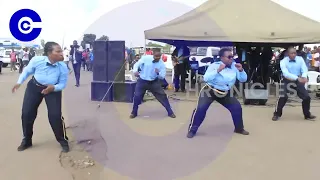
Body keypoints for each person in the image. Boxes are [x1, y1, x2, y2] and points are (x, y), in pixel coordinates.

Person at [12, 42, 69, 152]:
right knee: (27, 113)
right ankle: (27, 140)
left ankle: (62, 140)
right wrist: (19, 82)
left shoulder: (63, 67)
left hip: (53, 89)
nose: (61, 53)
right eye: (58, 51)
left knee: (55, 116)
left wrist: (53, 88)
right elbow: (27, 71)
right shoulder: (37, 60)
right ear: (49, 53)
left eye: (61, 51)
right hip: (34, 87)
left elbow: (62, 84)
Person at [187, 48, 249, 138]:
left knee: (237, 107)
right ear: (222, 58)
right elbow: (206, 78)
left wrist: (241, 70)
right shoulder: (214, 65)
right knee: (201, 108)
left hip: (225, 92)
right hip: (210, 90)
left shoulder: (235, 66)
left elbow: (243, 79)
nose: (231, 58)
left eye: (232, 56)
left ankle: (239, 128)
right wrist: (218, 70)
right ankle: (192, 130)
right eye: (229, 57)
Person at [272, 47, 316, 121]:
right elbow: (285, 73)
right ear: (288, 54)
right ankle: (277, 114)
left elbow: (304, 69)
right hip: (286, 80)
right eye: (292, 53)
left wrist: (304, 77)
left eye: (295, 53)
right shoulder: (283, 61)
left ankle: (307, 114)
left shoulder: (300, 59)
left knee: (306, 97)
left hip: (298, 80)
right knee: (283, 96)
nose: (293, 55)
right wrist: (297, 78)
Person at [130, 49, 176, 119]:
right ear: (153, 55)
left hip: (153, 82)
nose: (157, 58)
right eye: (156, 56)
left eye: (159, 57)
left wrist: (158, 73)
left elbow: (162, 76)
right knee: (137, 96)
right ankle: (134, 112)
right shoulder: (145, 58)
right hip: (142, 81)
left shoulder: (161, 64)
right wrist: (135, 71)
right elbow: (137, 64)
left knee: (162, 96)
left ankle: (170, 112)